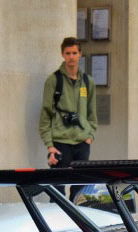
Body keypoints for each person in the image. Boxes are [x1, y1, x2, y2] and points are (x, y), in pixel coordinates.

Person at [39, 37, 97, 200]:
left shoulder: (87, 82)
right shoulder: (54, 80)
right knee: (57, 190)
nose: (71, 57)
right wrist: (49, 145)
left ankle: (79, 224)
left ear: (80, 54)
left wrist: (90, 136)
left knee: (81, 191)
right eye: (68, 53)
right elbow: (46, 113)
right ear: (62, 54)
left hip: (82, 142)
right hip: (60, 143)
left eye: (74, 53)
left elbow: (92, 113)